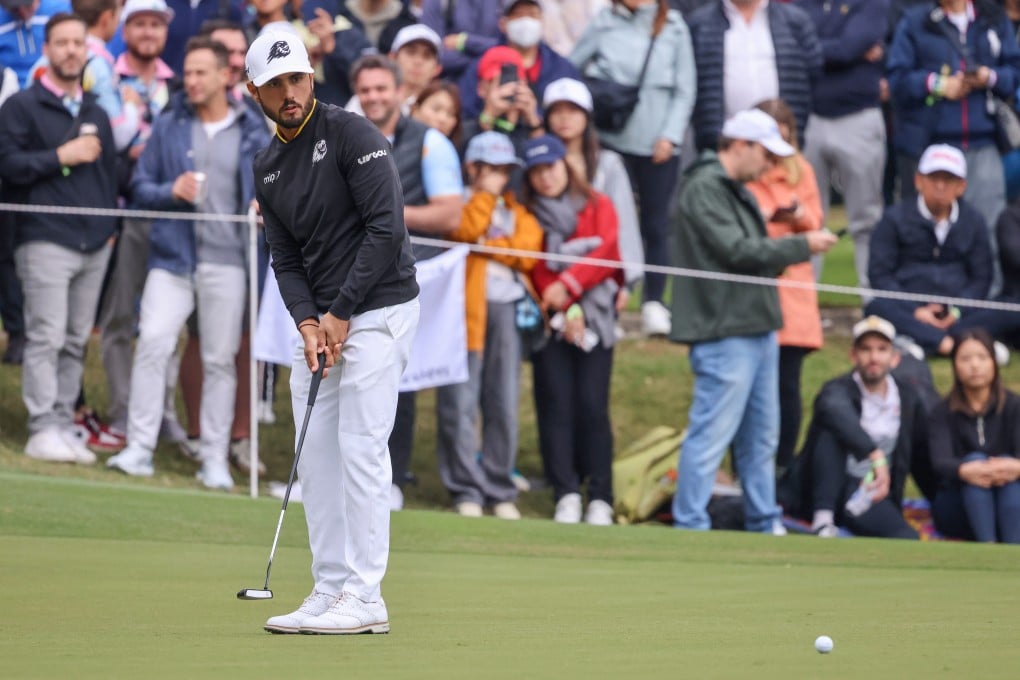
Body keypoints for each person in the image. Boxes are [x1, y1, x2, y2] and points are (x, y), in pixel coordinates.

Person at [246, 30, 419, 634]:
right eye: (275, 84)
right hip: (324, 320)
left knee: (360, 446)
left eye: (296, 78)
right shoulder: (266, 167)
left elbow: (386, 228)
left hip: (381, 307)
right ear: (255, 92)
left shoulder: (353, 134)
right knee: (315, 454)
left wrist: (339, 313)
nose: (289, 92)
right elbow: (286, 257)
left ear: (312, 76)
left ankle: (367, 597)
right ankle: (330, 587)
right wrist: (307, 321)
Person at [105, 37, 270, 488]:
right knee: (153, 343)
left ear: (225, 76)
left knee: (220, 359)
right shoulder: (170, 122)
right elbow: (141, 187)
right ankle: (139, 448)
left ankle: (214, 459)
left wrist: (264, 204)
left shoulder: (252, 128)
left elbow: (273, 187)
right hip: (172, 257)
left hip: (230, 261)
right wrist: (171, 191)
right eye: (188, 72)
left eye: (201, 72)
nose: (191, 80)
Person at [669, 109, 837, 533]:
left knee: (761, 439)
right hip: (724, 329)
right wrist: (800, 244)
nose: (770, 166)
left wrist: (783, 242)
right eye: (766, 154)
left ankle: (765, 522)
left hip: (756, 325)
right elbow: (737, 251)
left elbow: (749, 253)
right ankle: (690, 526)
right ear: (740, 145)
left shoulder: (730, 188)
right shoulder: (706, 186)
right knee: (711, 434)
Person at [0, 13, 117, 463]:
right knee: (46, 336)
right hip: (43, 237)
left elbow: (110, 178)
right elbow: (8, 166)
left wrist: (109, 231)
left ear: (87, 50)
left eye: (77, 43)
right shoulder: (21, 106)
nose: (71, 50)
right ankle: (41, 427)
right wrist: (60, 156)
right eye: (62, 43)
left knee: (74, 340)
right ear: (46, 49)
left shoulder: (96, 112)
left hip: (94, 244)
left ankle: (64, 424)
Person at [351, 53, 464, 510]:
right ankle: (337, 480)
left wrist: (386, 213)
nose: (374, 97)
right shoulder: (344, 135)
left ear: (400, 92)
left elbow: (450, 213)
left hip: (409, 278)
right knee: (346, 377)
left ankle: (392, 478)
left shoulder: (429, 142)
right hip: (351, 275)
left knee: (397, 378)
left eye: (382, 88)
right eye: (366, 89)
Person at [571, 0, 695, 336]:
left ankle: (654, 301)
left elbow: (685, 90)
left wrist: (670, 135)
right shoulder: (604, 22)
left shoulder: (675, 26)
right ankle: (610, 298)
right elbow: (572, 67)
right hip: (612, 143)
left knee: (657, 224)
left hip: (659, 146)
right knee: (610, 224)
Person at [438, 131, 543, 518]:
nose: (500, 176)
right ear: (473, 168)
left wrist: (487, 246)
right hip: (464, 313)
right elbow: (464, 230)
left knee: (504, 402)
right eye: (492, 168)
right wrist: (483, 197)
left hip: (507, 310)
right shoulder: (458, 202)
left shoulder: (518, 211)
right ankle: (466, 488)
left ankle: (499, 489)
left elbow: (529, 252)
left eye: (505, 169)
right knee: (460, 403)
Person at [887, 0, 1020, 296]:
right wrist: (938, 84)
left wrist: (988, 77)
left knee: (987, 229)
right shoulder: (916, 21)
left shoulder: (992, 18)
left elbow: (1014, 74)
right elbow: (897, 80)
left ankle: (986, 310)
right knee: (926, 231)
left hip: (983, 141)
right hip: (933, 145)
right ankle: (925, 304)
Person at [96, 0, 184, 446]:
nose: (149, 32)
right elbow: (110, 144)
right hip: (124, 212)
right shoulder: (106, 76)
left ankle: (160, 412)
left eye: (156, 24)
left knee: (166, 324)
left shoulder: (179, 84)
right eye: (140, 24)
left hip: (172, 215)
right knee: (118, 317)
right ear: (125, 30)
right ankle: (122, 411)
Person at [525, 134, 624, 526]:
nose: (545, 177)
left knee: (593, 406)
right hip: (552, 322)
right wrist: (566, 307)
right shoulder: (529, 214)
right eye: (536, 172)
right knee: (556, 406)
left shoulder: (598, 204)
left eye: (550, 167)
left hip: (596, 318)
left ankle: (600, 496)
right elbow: (535, 265)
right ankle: (565, 492)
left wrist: (570, 288)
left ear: (565, 165)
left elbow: (607, 252)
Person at [780, 316, 925, 539]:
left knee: (905, 538)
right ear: (853, 355)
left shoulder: (907, 397)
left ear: (895, 358)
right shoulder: (836, 390)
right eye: (866, 349)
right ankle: (823, 519)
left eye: (882, 349)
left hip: (867, 492)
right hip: (821, 486)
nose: (873, 358)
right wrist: (874, 454)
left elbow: (923, 448)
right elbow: (833, 410)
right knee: (831, 430)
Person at [745, 98, 824, 472]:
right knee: (748, 389)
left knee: (786, 386)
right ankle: (748, 468)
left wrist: (798, 215)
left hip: (792, 290)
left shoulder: (801, 170)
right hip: (754, 287)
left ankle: (781, 469)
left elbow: (817, 222)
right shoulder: (744, 171)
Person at [866, 144, 993, 358]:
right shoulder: (894, 218)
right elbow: (880, 276)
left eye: (948, 179)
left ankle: (922, 342)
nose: (940, 186)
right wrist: (915, 311)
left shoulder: (974, 220)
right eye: (934, 178)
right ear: (918, 181)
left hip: (958, 311)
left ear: (961, 186)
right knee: (877, 307)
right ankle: (952, 343)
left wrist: (956, 310)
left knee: (1005, 309)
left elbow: (982, 278)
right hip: (908, 308)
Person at [795, 0, 888, 292]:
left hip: (859, 117)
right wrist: (847, 50)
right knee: (805, 217)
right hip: (809, 117)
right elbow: (798, 45)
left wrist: (820, 48)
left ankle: (872, 301)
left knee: (867, 218)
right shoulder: (801, 5)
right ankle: (803, 302)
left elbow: (848, 46)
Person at [542, 76, 644, 312]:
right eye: (557, 111)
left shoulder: (608, 164)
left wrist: (627, 281)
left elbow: (623, 222)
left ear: (587, 116)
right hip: (551, 272)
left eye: (572, 110)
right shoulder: (540, 166)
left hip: (600, 272)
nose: (564, 118)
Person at [686, 0, 821, 152]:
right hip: (723, 147)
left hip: (781, 144)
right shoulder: (700, 24)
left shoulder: (795, 21)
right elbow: (689, 82)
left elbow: (812, 73)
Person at [929, 328, 1020, 543]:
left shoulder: (1015, 406)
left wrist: (1011, 467)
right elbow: (940, 461)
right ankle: (986, 545)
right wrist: (965, 470)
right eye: (966, 359)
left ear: (993, 362)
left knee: (1009, 480)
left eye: (982, 357)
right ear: (955, 365)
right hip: (958, 504)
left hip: (1011, 495)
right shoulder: (942, 412)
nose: (975, 365)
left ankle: (1013, 549)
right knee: (974, 461)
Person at [457, 0, 580, 120]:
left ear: (542, 22)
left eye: (532, 15)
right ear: (503, 24)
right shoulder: (483, 64)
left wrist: (534, 119)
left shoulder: (561, 68)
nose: (526, 22)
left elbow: (576, 117)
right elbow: (463, 115)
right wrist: (488, 114)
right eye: (518, 15)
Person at [347, 23, 444, 117]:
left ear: (437, 68)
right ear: (392, 58)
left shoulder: (441, 111)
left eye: (427, 56)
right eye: (411, 52)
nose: (418, 61)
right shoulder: (367, 98)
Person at [420, 0, 502, 83]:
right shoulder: (436, 3)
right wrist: (481, 53)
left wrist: (464, 41)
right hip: (445, 81)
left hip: (489, 80)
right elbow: (435, 55)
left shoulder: (496, 4)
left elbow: (500, 46)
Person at [0, 0, 70, 87]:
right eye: (15, 8)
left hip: (54, 86)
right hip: (10, 88)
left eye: (27, 5)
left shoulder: (60, 11)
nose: (22, 11)